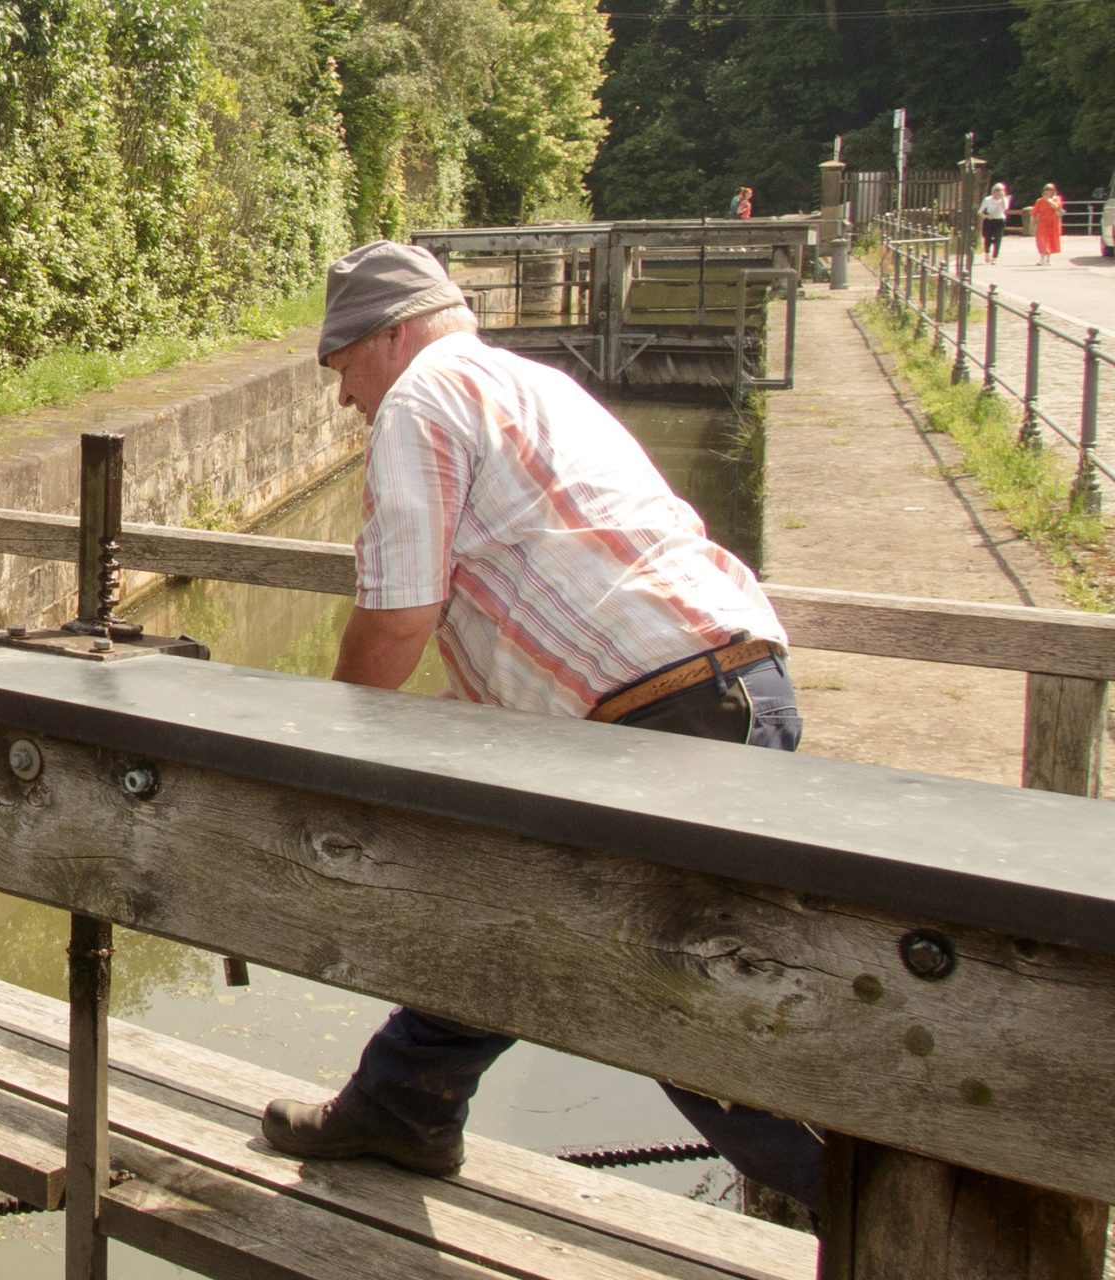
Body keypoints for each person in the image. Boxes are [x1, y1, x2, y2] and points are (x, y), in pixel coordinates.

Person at [256, 241, 825, 1212]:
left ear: (391, 337)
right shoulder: (530, 384)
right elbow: (532, 597)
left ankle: (897, 1200)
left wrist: (328, 746)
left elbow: (398, 614)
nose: (344, 397)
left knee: (674, 1001)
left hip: (666, 716)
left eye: (342, 364)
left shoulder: (421, 399)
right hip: (730, 685)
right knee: (507, 896)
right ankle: (402, 1102)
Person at [1032, 182, 1065, 265]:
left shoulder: (1057, 198)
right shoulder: (1039, 201)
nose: (1048, 191)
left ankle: (1048, 259)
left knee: (1051, 240)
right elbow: (1035, 212)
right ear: (1044, 191)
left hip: (1053, 222)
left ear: (1053, 191)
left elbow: (1058, 207)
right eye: (1047, 189)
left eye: (1050, 190)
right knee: (1042, 240)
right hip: (1043, 222)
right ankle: (1042, 259)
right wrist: (1034, 222)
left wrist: (1049, 200)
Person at [978, 182, 1011, 265]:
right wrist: (986, 216)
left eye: (1000, 190)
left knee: (998, 239)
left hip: (1000, 220)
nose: (997, 192)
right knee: (987, 238)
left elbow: (1006, 207)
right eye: (996, 190)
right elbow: (980, 212)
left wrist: (1002, 198)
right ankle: (987, 253)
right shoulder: (987, 199)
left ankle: (994, 257)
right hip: (989, 220)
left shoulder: (1004, 199)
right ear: (993, 191)